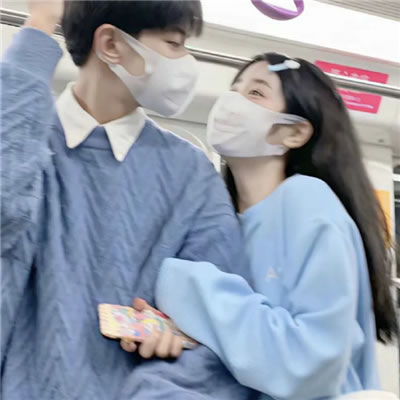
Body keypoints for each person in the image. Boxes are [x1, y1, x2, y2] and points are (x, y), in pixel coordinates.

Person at [0, 1, 255, 399]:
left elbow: (224, 319)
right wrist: (39, 25)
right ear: (111, 44)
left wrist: (177, 336)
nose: (185, 62)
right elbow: (5, 211)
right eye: (174, 44)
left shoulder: (190, 172)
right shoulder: (25, 139)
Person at [138, 53, 399, 398]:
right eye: (234, 89)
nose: (231, 101)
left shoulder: (307, 200)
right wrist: (176, 333)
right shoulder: (221, 222)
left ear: (293, 132)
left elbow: (308, 362)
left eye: (255, 93)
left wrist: (184, 285)